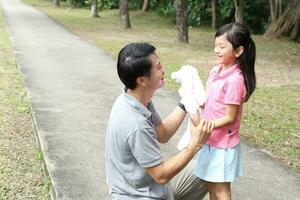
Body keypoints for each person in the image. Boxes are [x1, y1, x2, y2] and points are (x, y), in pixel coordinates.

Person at [105, 43, 214, 199]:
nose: (163, 70)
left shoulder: (134, 97)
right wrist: (196, 143)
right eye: (158, 68)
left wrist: (186, 100)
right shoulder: (135, 124)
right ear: (142, 80)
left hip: (151, 185)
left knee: (207, 166)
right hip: (138, 195)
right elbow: (161, 175)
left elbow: (162, 133)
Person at [194, 22, 256, 200]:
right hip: (210, 138)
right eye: (215, 45)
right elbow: (211, 101)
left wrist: (207, 124)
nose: (216, 50)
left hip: (223, 144)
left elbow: (230, 117)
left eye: (222, 47)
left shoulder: (236, 80)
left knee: (221, 191)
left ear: (238, 51)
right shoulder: (216, 71)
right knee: (211, 185)